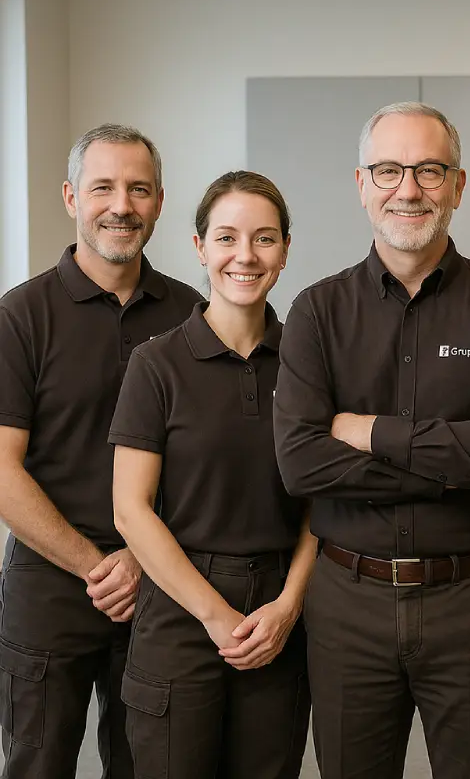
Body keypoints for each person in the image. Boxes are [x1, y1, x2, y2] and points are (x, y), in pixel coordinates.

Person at [273, 101, 470, 779]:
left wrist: (367, 432)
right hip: (347, 604)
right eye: (389, 170)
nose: (409, 189)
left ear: (458, 186)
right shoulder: (316, 310)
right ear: (362, 184)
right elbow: (301, 464)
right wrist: (463, 453)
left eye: (429, 170)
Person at [0, 124, 202, 778]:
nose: (122, 205)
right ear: (70, 197)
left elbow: (210, 459)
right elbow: (1, 471)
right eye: (104, 188)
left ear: (161, 202)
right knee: (38, 764)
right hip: (50, 585)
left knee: (149, 765)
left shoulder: (193, 313)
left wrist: (144, 559)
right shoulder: (20, 317)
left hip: (161, 581)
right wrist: (98, 567)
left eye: (139, 189)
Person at [109, 171, 314, 779]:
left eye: (263, 238)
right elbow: (131, 510)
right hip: (180, 608)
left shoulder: (309, 363)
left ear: (284, 248)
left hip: (279, 610)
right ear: (200, 247)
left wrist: (288, 606)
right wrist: (214, 615)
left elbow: (323, 503)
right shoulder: (156, 363)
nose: (244, 256)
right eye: (226, 238)